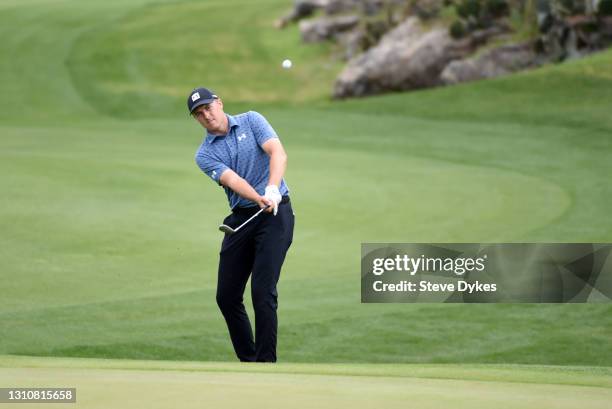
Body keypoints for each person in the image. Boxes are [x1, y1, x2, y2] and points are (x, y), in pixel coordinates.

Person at [188, 87, 294, 362]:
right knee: (227, 296)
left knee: (262, 291)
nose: (206, 115)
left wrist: (272, 189)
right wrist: (259, 197)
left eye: (208, 107)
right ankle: (249, 360)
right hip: (243, 217)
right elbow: (233, 181)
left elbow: (277, 153)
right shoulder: (204, 155)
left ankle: (266, 362)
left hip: (275, 214)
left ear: (220, 103)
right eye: (199, 114)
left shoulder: (252, 120)